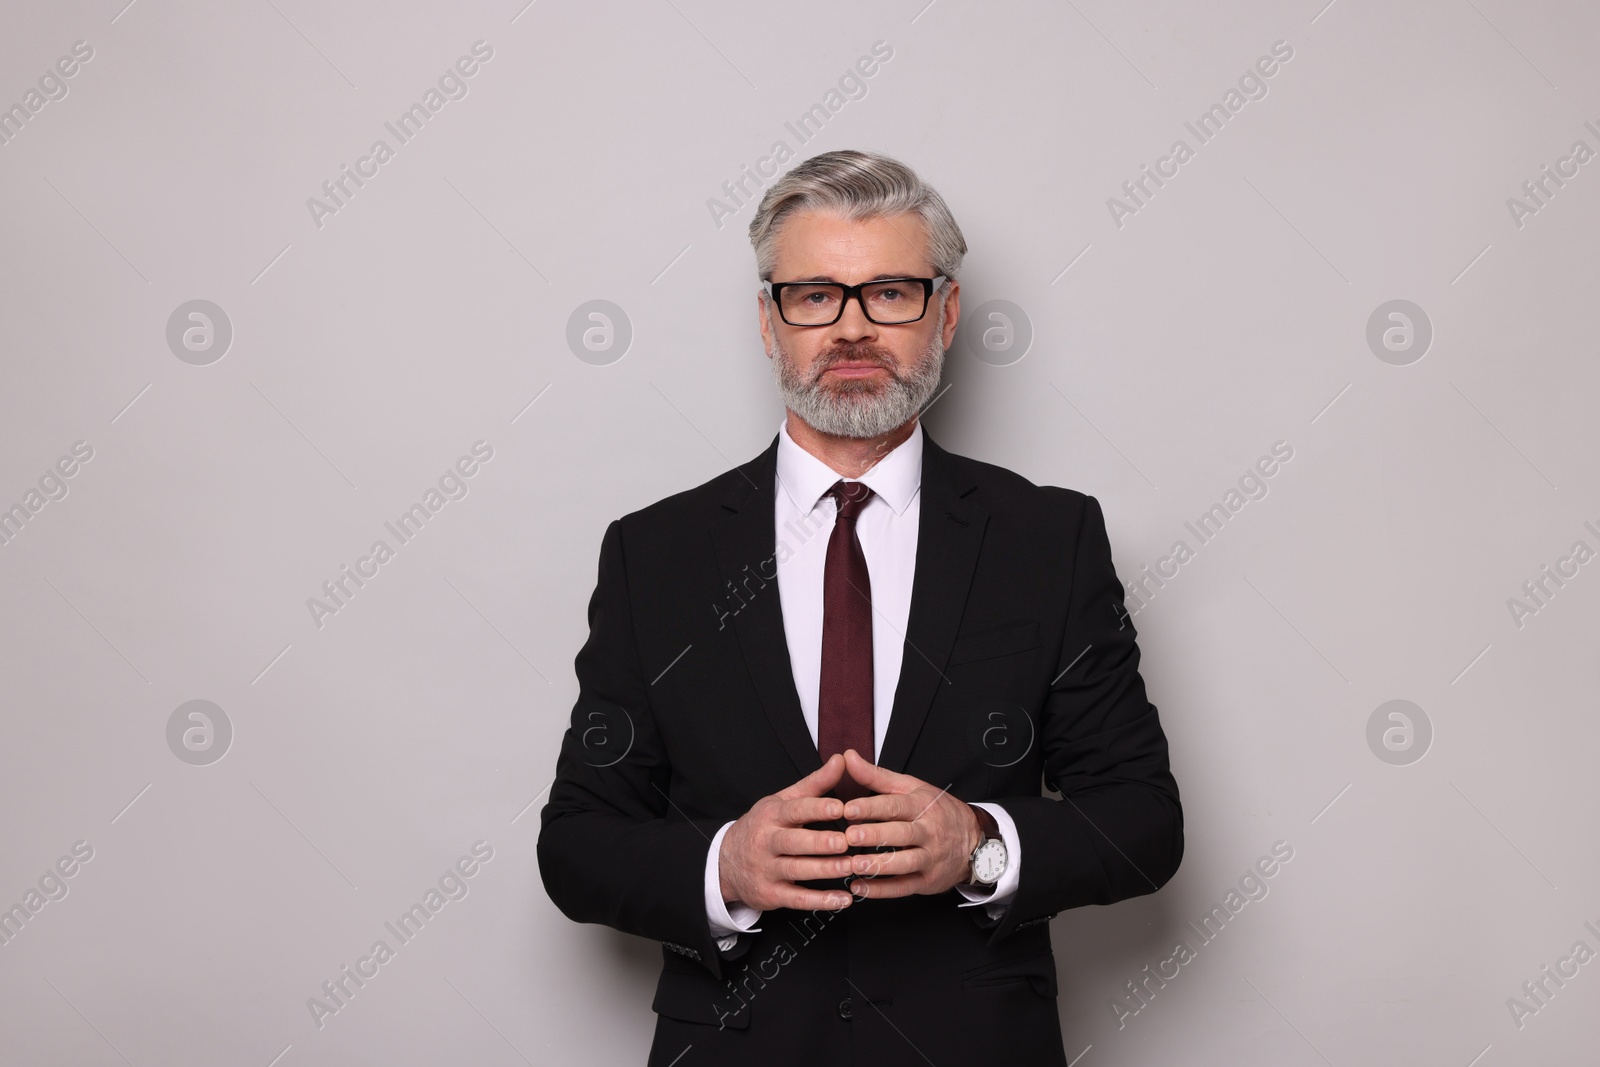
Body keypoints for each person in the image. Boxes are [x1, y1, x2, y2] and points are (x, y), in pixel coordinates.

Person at [538, 148, 1183, 1065]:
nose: (850, 328)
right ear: (769, 320)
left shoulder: (1050, 539)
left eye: (889, 293)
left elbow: (1143, 821)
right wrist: (724, 865)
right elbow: (575, 842)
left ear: (947, 313)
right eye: (814, 296)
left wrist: (979, 845)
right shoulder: (656, 555)